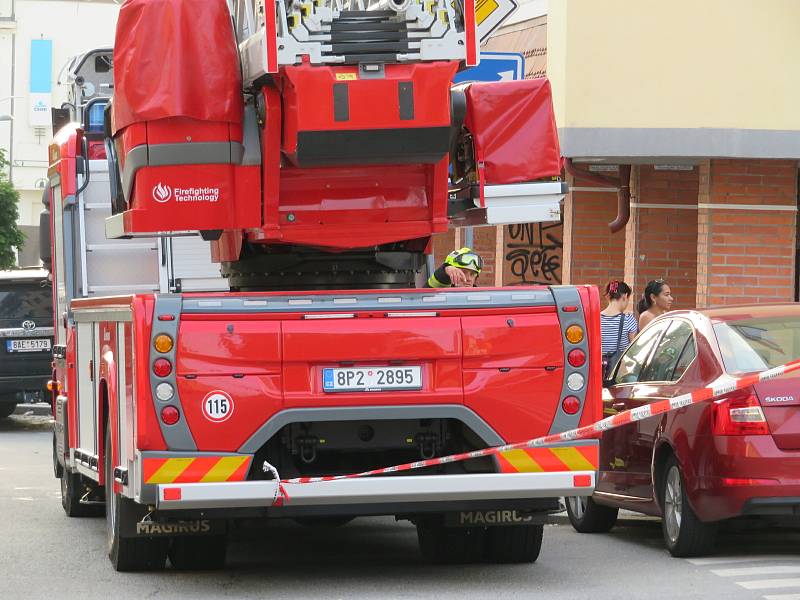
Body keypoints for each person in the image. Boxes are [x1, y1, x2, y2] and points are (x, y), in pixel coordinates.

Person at [600, 280, 638, 378]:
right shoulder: (628, 319)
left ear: (609, 297)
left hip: (598, 371)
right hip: (619, 373)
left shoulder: (596, 319)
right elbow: (634, 349)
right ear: (625, 296)